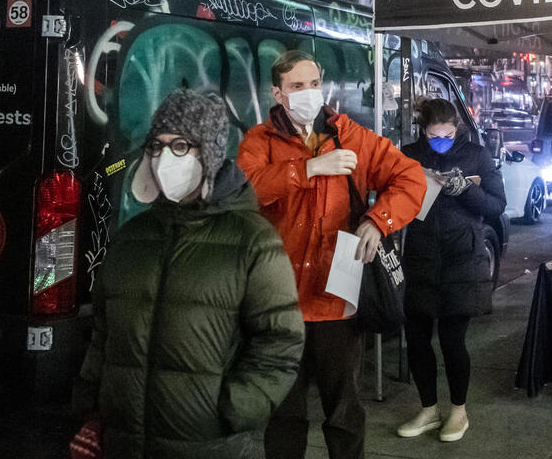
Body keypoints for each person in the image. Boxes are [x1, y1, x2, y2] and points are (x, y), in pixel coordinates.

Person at [72, 89, 306, 459]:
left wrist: (233, 409)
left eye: (181, 145)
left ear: (209, 154)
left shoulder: (252, 241)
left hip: (213, 446)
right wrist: (93, 410)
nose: (165, 157)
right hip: (126, 443)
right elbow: (104, 333)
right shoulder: (131, 238)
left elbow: (281, 340)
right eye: (157, 145)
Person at [237, 50, 426, 459]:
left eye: (314, 84)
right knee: (283, 412)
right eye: (296, 86)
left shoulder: (350, 135)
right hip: (278, 301)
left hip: (335, 300)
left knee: (343, 411)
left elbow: (410, 177)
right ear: (278, 93)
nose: (309, 93)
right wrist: (305, 170)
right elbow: (240, 194)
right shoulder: (259, 141)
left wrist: (378, 220)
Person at [396, 98, 506, 443]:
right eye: (433, 135)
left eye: (446, 133)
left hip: (463, 257)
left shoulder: (476, 154)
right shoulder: (410, 153)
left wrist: (465, 190)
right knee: (416, 338)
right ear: (422, 131)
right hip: (420, 255)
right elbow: (395, 199)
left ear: (456, 128)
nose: (440, 140)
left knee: (452, 339)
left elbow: (496, 205)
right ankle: (428, 408)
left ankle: (459, 410)